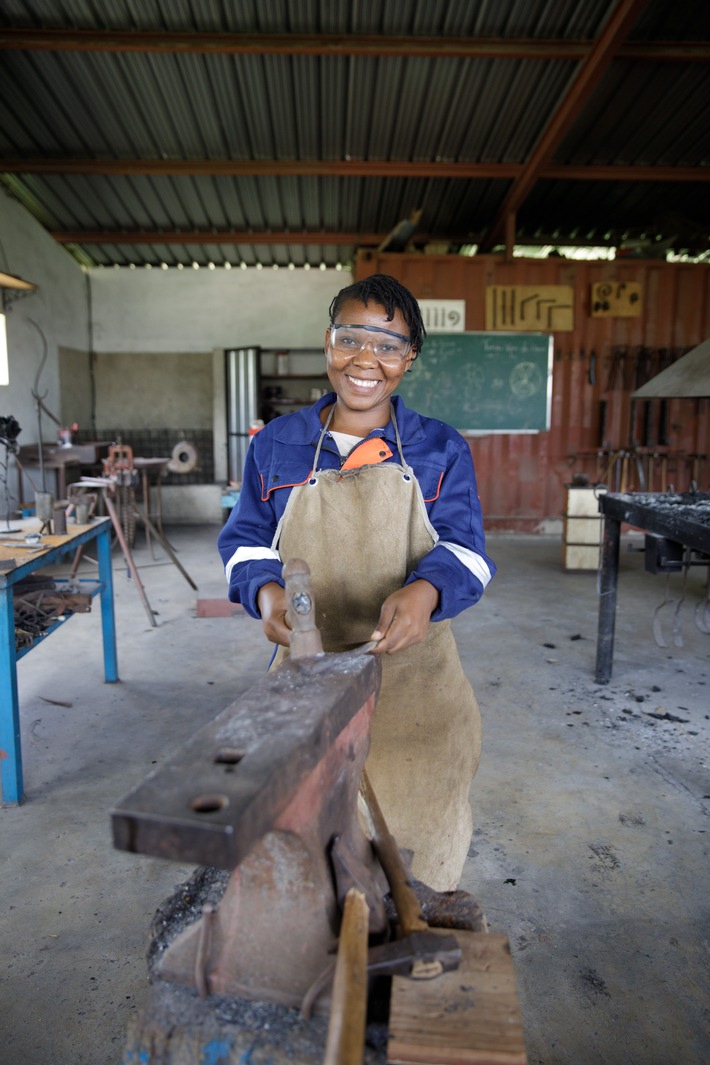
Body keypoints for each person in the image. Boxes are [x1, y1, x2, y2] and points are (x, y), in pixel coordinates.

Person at [218, 274, 495, 891]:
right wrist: (265, 594)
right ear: (328, 342)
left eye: (388, 345)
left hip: (414, 688)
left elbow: (469, 553)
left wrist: (426, 591)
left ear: (409, 358)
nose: (366, 360)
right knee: (305, 849)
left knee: (413, 859)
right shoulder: (277, 447)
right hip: (305, 681)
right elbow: (244, 544)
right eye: (351, 338)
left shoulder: (439, 449)